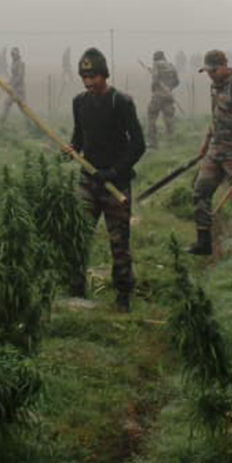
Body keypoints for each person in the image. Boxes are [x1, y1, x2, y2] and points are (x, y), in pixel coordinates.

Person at [64, 48, 146, 310]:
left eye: (93, 76)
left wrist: (114, 172)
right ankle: (76, 288)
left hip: (115, 184)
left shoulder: (120, 102)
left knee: (119, 242)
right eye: (84, 77)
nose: (89, 82)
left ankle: (123, 294)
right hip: (88, 181)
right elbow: (80, 136)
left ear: (104, 75)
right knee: (78, 236)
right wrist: (72, 149)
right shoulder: (79, 102)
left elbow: (138, 145)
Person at [188, 50, 232, 255]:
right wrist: (206, 142)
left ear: (223, 66)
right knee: (200, 191)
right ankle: (203, 243)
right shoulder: (215, 87)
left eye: (212, 70)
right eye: (207, 71)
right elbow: (216, 118)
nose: (209, 74)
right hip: (216, 150)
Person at [146, 50, 179, 148]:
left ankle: (153, 143)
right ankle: (170, 142)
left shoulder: (156, 64)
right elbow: (177, 81)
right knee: (169, 119)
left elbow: (155, 79)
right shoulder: (171, 66)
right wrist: (170, 88)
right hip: (169, 95)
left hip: (158, 95)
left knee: (152, 116)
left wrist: (154, 88)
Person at [1, 46, 27, 121]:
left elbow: (20, 77)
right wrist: (9, 82)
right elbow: (13, 76)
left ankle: (2, 121)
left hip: (19, 90)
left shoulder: (20, 64)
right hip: (15, 89)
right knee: (23, 109)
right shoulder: (13, 63)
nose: (13, 56)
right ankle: (28, 124)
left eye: (14, 54)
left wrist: (13, 83)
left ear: (17, 54)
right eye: (12, 54)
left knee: (7, 103)